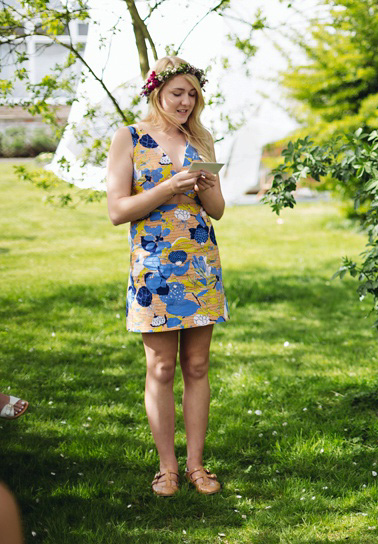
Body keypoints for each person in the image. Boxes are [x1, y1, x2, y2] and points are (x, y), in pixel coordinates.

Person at [105, 56, 228, 497]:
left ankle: (197, 466)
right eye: (178, 92)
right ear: (156, 91)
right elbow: (118, 211)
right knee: (160, 367)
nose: (186, 101)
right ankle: (167, 468)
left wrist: (206, 188)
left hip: (200, 263)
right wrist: (167, 188)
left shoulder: (201, 138)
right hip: (154, 269)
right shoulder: (130, 137)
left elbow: (216, 211)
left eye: (193, 94)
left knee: (197, 365)